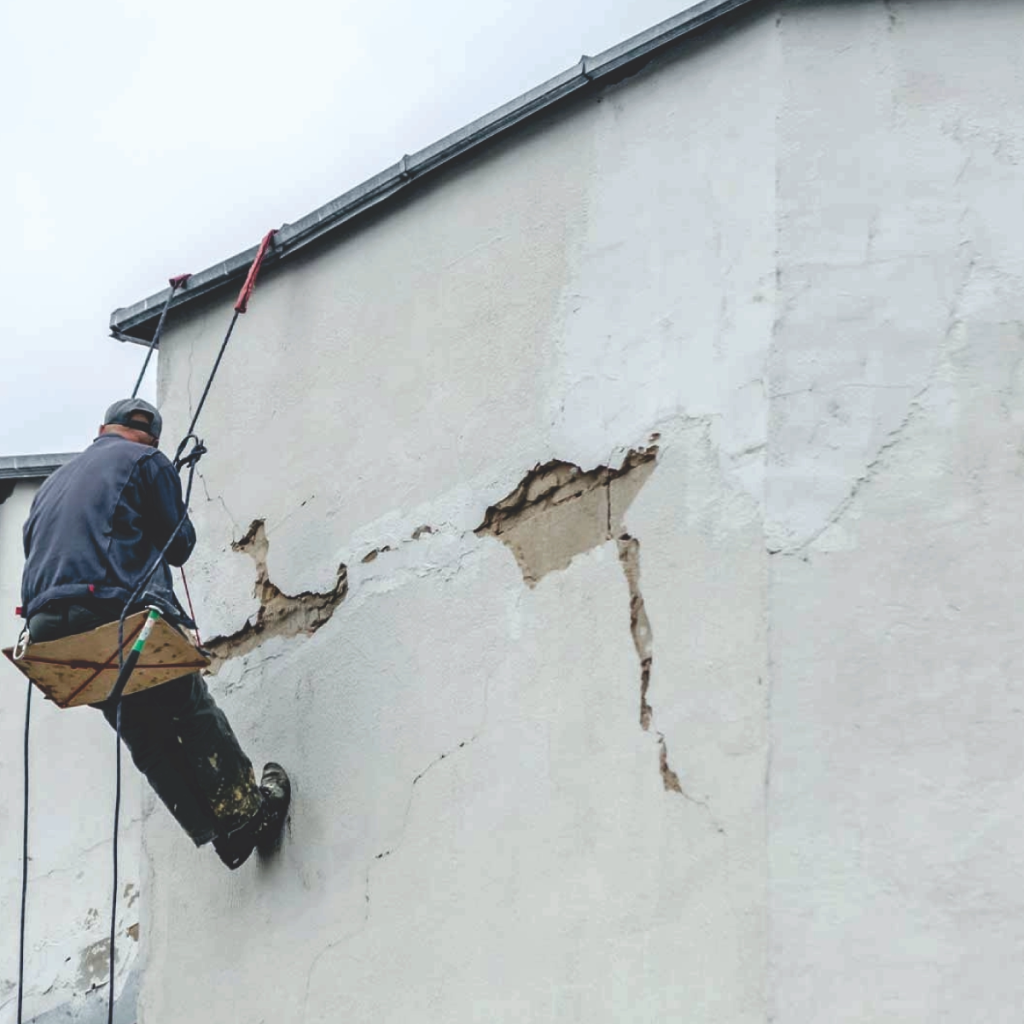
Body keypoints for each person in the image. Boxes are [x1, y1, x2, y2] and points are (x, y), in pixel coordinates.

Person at [20, 398, 289, 869]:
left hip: (48, 632)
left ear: (103, 428)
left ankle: (215, 831)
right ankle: (246, 813)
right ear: (153, 438)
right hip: (113, 608)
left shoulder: (52, 484)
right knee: (189, 706)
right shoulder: (149, 460)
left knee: (139, 725)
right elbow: (179, 545)